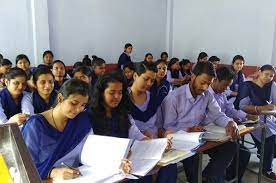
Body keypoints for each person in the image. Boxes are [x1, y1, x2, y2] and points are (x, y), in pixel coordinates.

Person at [159, 62, 239, 183]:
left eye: (209, 83)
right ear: (193, 77)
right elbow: (168, 127)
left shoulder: (206, 95)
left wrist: (230, 122)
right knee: (194, 158)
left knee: (230, 147)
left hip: (198, 136)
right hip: (180, 140)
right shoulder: (174, 97)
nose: (205, 87)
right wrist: (188, 130)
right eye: (202, 82)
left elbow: (217, 115)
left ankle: (207, 177)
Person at [21, 79, 93, 180]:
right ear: (60, 98)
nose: (78, 109)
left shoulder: (81, 121)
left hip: (78, 177)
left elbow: (91, 151)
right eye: (74, 103)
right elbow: (24, 166)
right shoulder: (35, 125)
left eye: (82, 105)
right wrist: (52, 172)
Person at [128, 62, 177, 183]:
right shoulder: (123, 99)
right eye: (146, 79)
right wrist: (143, 135)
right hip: (134, 151)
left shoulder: (153, 99)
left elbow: (158, 125)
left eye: (152, 80)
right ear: (135, 76)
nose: (149, 83)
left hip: (156, 147)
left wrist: (166, 134)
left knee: (170, 167)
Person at [209, 67, 252, 183]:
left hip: (224, 132)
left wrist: (245, 116)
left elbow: (229, 108)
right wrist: (229, 120)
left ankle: (231, 178)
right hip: (211, 134)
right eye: (224, 85)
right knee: (230, 150)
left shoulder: (221, 93)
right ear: (215, 80)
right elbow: (213, 116)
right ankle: (212, 177)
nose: (226, 89)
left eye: (228, 86)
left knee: (245, 153)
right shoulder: (207, 94)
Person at [234, 64, 276, 180]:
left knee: (272, 140)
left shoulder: (272, 86)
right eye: (266, 74)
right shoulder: (247, 85)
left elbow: (275, 103)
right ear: (259, 72)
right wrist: (261, 109)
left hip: (268, 116)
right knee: (270, 139)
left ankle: (263, 154)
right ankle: (266, 168)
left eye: (271, 76)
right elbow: (242, 106)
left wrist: (270, 108)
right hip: (250, 117)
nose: (268, 78)